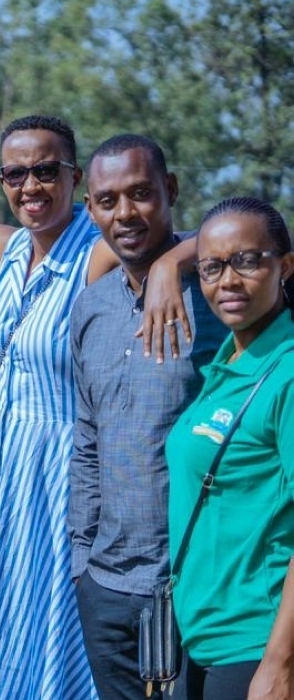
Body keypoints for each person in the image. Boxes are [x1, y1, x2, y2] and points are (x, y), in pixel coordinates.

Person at [0, 114, 103, 700]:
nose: (30, 186)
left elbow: (200, 240)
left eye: (46, 171)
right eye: (15, 174)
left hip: (62, 474)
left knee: (53, 627)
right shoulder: (11, 248)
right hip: (0, 472)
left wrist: (164, 267)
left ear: (75, 177)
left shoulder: (97, 251)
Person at [68, 134, 227, 700]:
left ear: (171, 190)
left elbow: (272, 238)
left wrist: (173, 263)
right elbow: (87, 438)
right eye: (107, 200)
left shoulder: (223, 295)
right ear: (90, 210)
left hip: (198, 581)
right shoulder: (90, 308)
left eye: (140, 193)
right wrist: (82, 562)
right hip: (107, 586)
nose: (125, 213)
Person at [165, 197, 294, 700]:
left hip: (256, 645)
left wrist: (280, 663)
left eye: (247, 261)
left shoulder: (285, 374)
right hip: (202, 645)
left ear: (285, 267)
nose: (228, 281)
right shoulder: (229, 364)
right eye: (212, 267)